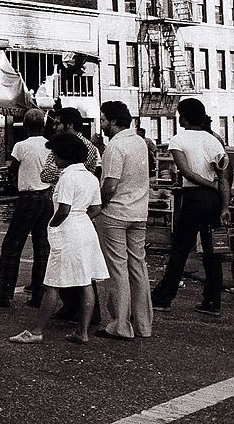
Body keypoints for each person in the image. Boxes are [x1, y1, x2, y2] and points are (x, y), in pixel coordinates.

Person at [9, 133, 109, 345]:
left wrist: (52, 225)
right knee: (86, 282)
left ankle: (37, 331)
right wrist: (82, 218)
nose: (53, 157)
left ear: (65, 155)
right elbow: (97, 207)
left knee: (52, 283)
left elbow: (63, 209)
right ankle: (82, 331)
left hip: (68, 230)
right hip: (85, 228)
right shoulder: (90, 177)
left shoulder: (67, 178)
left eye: (55, 153)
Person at [151, 98, 232, 316]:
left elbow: (186, 172)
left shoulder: (178, 139)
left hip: (194, 198)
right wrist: (224, 205)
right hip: (215, 202)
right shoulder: (215, 141)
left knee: (180, 248)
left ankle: (163, 298)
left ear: (183, 117)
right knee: (213, 249)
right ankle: (212, 301)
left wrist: (209, 185)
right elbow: (224, 177)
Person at [95, 101, 153, 340]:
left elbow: (110, 183)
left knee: (117, 267)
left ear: (113, 120)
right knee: (138, 266)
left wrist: (100, 203)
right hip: (139, 212)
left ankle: (120, 323)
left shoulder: (115, 147)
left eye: (103, 119)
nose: (101, 124)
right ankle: (143, 324)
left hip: (116, 213)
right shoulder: (140, 141)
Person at [40, 106, 102, 322]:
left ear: (69, 124)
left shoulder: (75, 151)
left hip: (67, 209)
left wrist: (54, 224)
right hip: (81, 212)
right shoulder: (88, 152)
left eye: (58, 122)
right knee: (82, 268)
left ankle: (71, 312)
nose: (54, 126)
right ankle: (76, 311)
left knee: (62, 267)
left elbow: (47, 173)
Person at [0, 109, 53, 309]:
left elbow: (13, 168)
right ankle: (39, 294)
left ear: (26, 126)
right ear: (43, 126)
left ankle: (3, 292)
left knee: (12, 244)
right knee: (42, 246)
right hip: (46, 196)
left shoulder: (21, 146)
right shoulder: (49, 146)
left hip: (27, 197)